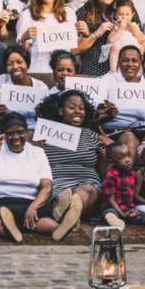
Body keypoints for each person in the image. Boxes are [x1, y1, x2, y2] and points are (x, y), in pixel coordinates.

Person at [0, 113, 83, 242]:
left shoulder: (37, 152)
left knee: (40, 218)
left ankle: (59, 228)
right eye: (10, 133)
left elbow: (46, 186)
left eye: (20, 132)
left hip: (28, 201)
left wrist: (34, 206)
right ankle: (9, 229)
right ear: (3, 135)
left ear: (26, 132)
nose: (16, 137)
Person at [35, 89, 108, 221]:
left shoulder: (91, 135)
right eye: (72, 107)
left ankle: (65, 217)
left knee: (85, 191)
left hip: (87, 183)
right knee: (59, 198)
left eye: (81, 108)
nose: (78, 111)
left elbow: (106, 166)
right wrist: (32, 147)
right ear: (61, 111)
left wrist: (110, 145)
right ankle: (69, 217)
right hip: (56, 184)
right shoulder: (46, 134)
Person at [0, 45, 50, 130]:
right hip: (9, 131)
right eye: (9, 64)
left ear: (27, 64)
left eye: (19, 62)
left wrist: (43, 112)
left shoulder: (41, 87)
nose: (15, 67)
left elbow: (50, 119)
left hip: (34, 131)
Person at [98, 45, 145, 152]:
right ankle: (127, 170)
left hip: (143, 129)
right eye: (125, 60)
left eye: (134, 60)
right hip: (115, 130)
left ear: (140, 63)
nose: (130, 64)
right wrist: (107, 114)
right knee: (129, 137)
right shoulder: (106, 81)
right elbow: (96, 113)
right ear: (119, 62)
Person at [17, 0, 72, 74]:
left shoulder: (69, 13)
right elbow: (23, 55)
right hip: (37, 73)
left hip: (63, 77)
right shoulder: (26, 15)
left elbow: (73, 50)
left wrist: (86, 35)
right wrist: (23, 39)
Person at [102, 142, 145, 229]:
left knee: (141, 215)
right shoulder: (110, 176)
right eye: (121, 158)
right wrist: (123, 215)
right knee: (109, 212)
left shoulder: (132, 173)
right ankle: (115, 221)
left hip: (129, 207)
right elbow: (110, 200)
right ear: (112, 162)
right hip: (114, 207)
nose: (128, 160)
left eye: (129, 155)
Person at [73, 0, 119, 76]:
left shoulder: (125, 9)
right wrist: (96, 34)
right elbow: (75, 51)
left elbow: (141, 43)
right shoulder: (82, 13)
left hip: (121, 69)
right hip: (92, 70)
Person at [101, 0, 145, 72]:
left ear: (132, 15)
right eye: (120, 14)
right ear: (115, 15)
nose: (124, 17)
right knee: (115, 47)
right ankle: (113, 69)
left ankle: (136, 69)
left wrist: (133, 28)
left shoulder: (134, 26)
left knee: (137, 50)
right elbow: (111, 40)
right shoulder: (115, 26)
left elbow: (140, 40)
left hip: (132, 49)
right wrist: (121, 28)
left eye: (127, 14)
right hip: (119, 49)